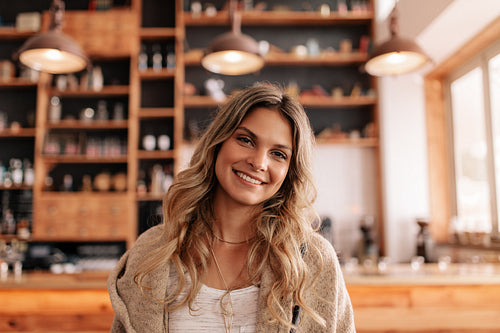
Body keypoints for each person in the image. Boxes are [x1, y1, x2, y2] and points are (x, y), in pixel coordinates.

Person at [107, 84, 355, 332]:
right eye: (246, 140)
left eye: (278, 154)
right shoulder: (152, 252)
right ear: (218, 143)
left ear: (290, 172)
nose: (258, 162)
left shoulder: (313, 260)